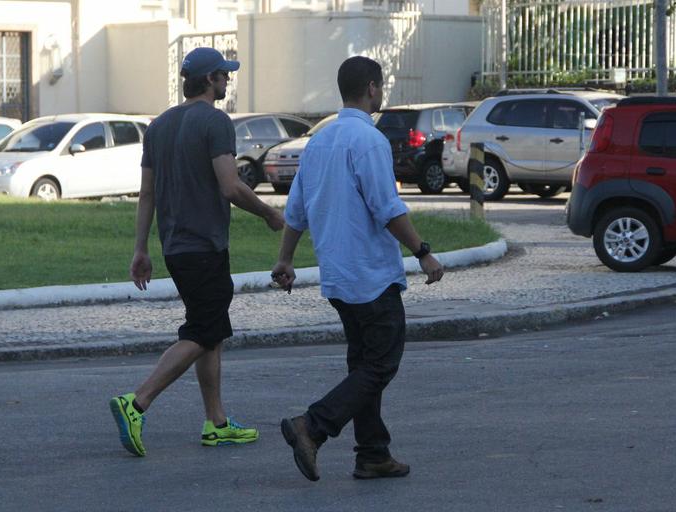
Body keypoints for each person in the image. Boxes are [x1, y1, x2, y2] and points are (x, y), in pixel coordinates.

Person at [272, 56, 444, 481]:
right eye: (380, 87)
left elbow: (296, 211)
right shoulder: (368, 141)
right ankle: (312, 426)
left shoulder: (319, 142)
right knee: (381, 365)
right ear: (371, 88)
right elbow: (387, 209)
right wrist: (423, 250)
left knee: (363, 367)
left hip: (338, 278)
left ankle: (372, 453)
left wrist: (285, 259)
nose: (381, 93)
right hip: (371, 275)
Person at [110, 47, 284, 457]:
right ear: (210, 80)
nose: (228, 81)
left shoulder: (159, 126)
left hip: (175, 247)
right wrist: (268, 214)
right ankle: (136, 403)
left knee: (212, 329)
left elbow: (147, 193)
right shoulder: (215, 121)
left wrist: (141, 248)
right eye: (224, 75)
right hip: (205, 245)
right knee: (203, 331)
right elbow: (230, 186)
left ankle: (217, 422)